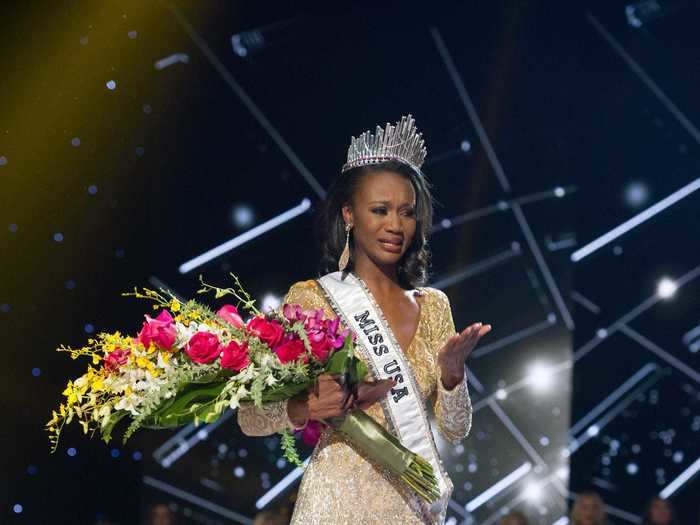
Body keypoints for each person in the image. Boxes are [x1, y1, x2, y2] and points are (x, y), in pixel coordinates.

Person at [238, 115, 489, 524]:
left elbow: (455, 429)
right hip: (335, 505)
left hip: (412, 508)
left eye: (406, 212)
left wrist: (451, 376)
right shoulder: (312, 299)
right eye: (380, 210)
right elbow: (250, 416)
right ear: (349, 214)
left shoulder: (435, 306)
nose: (395, 225)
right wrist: (305, 406)